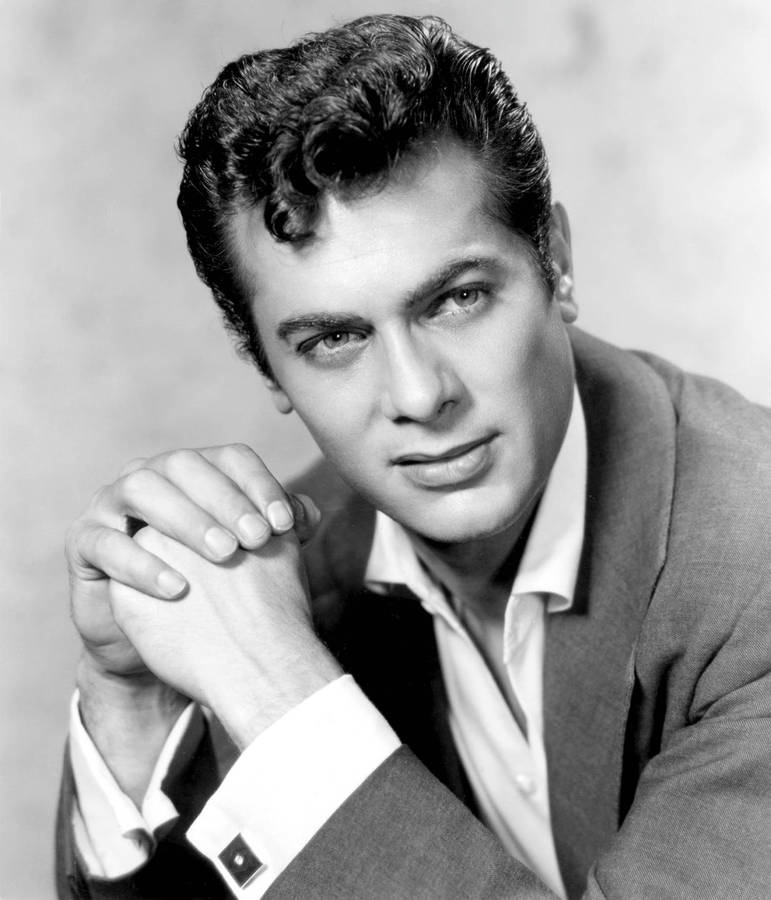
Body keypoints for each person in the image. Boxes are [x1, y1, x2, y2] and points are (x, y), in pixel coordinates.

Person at [56, 13, 771, 900]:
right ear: (268, 368)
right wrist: (131, 703)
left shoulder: (752, 565)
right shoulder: (289, 573)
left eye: (456, 299)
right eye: (333, 339)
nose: (420, 395)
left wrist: (281, 695)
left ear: (554, 262)